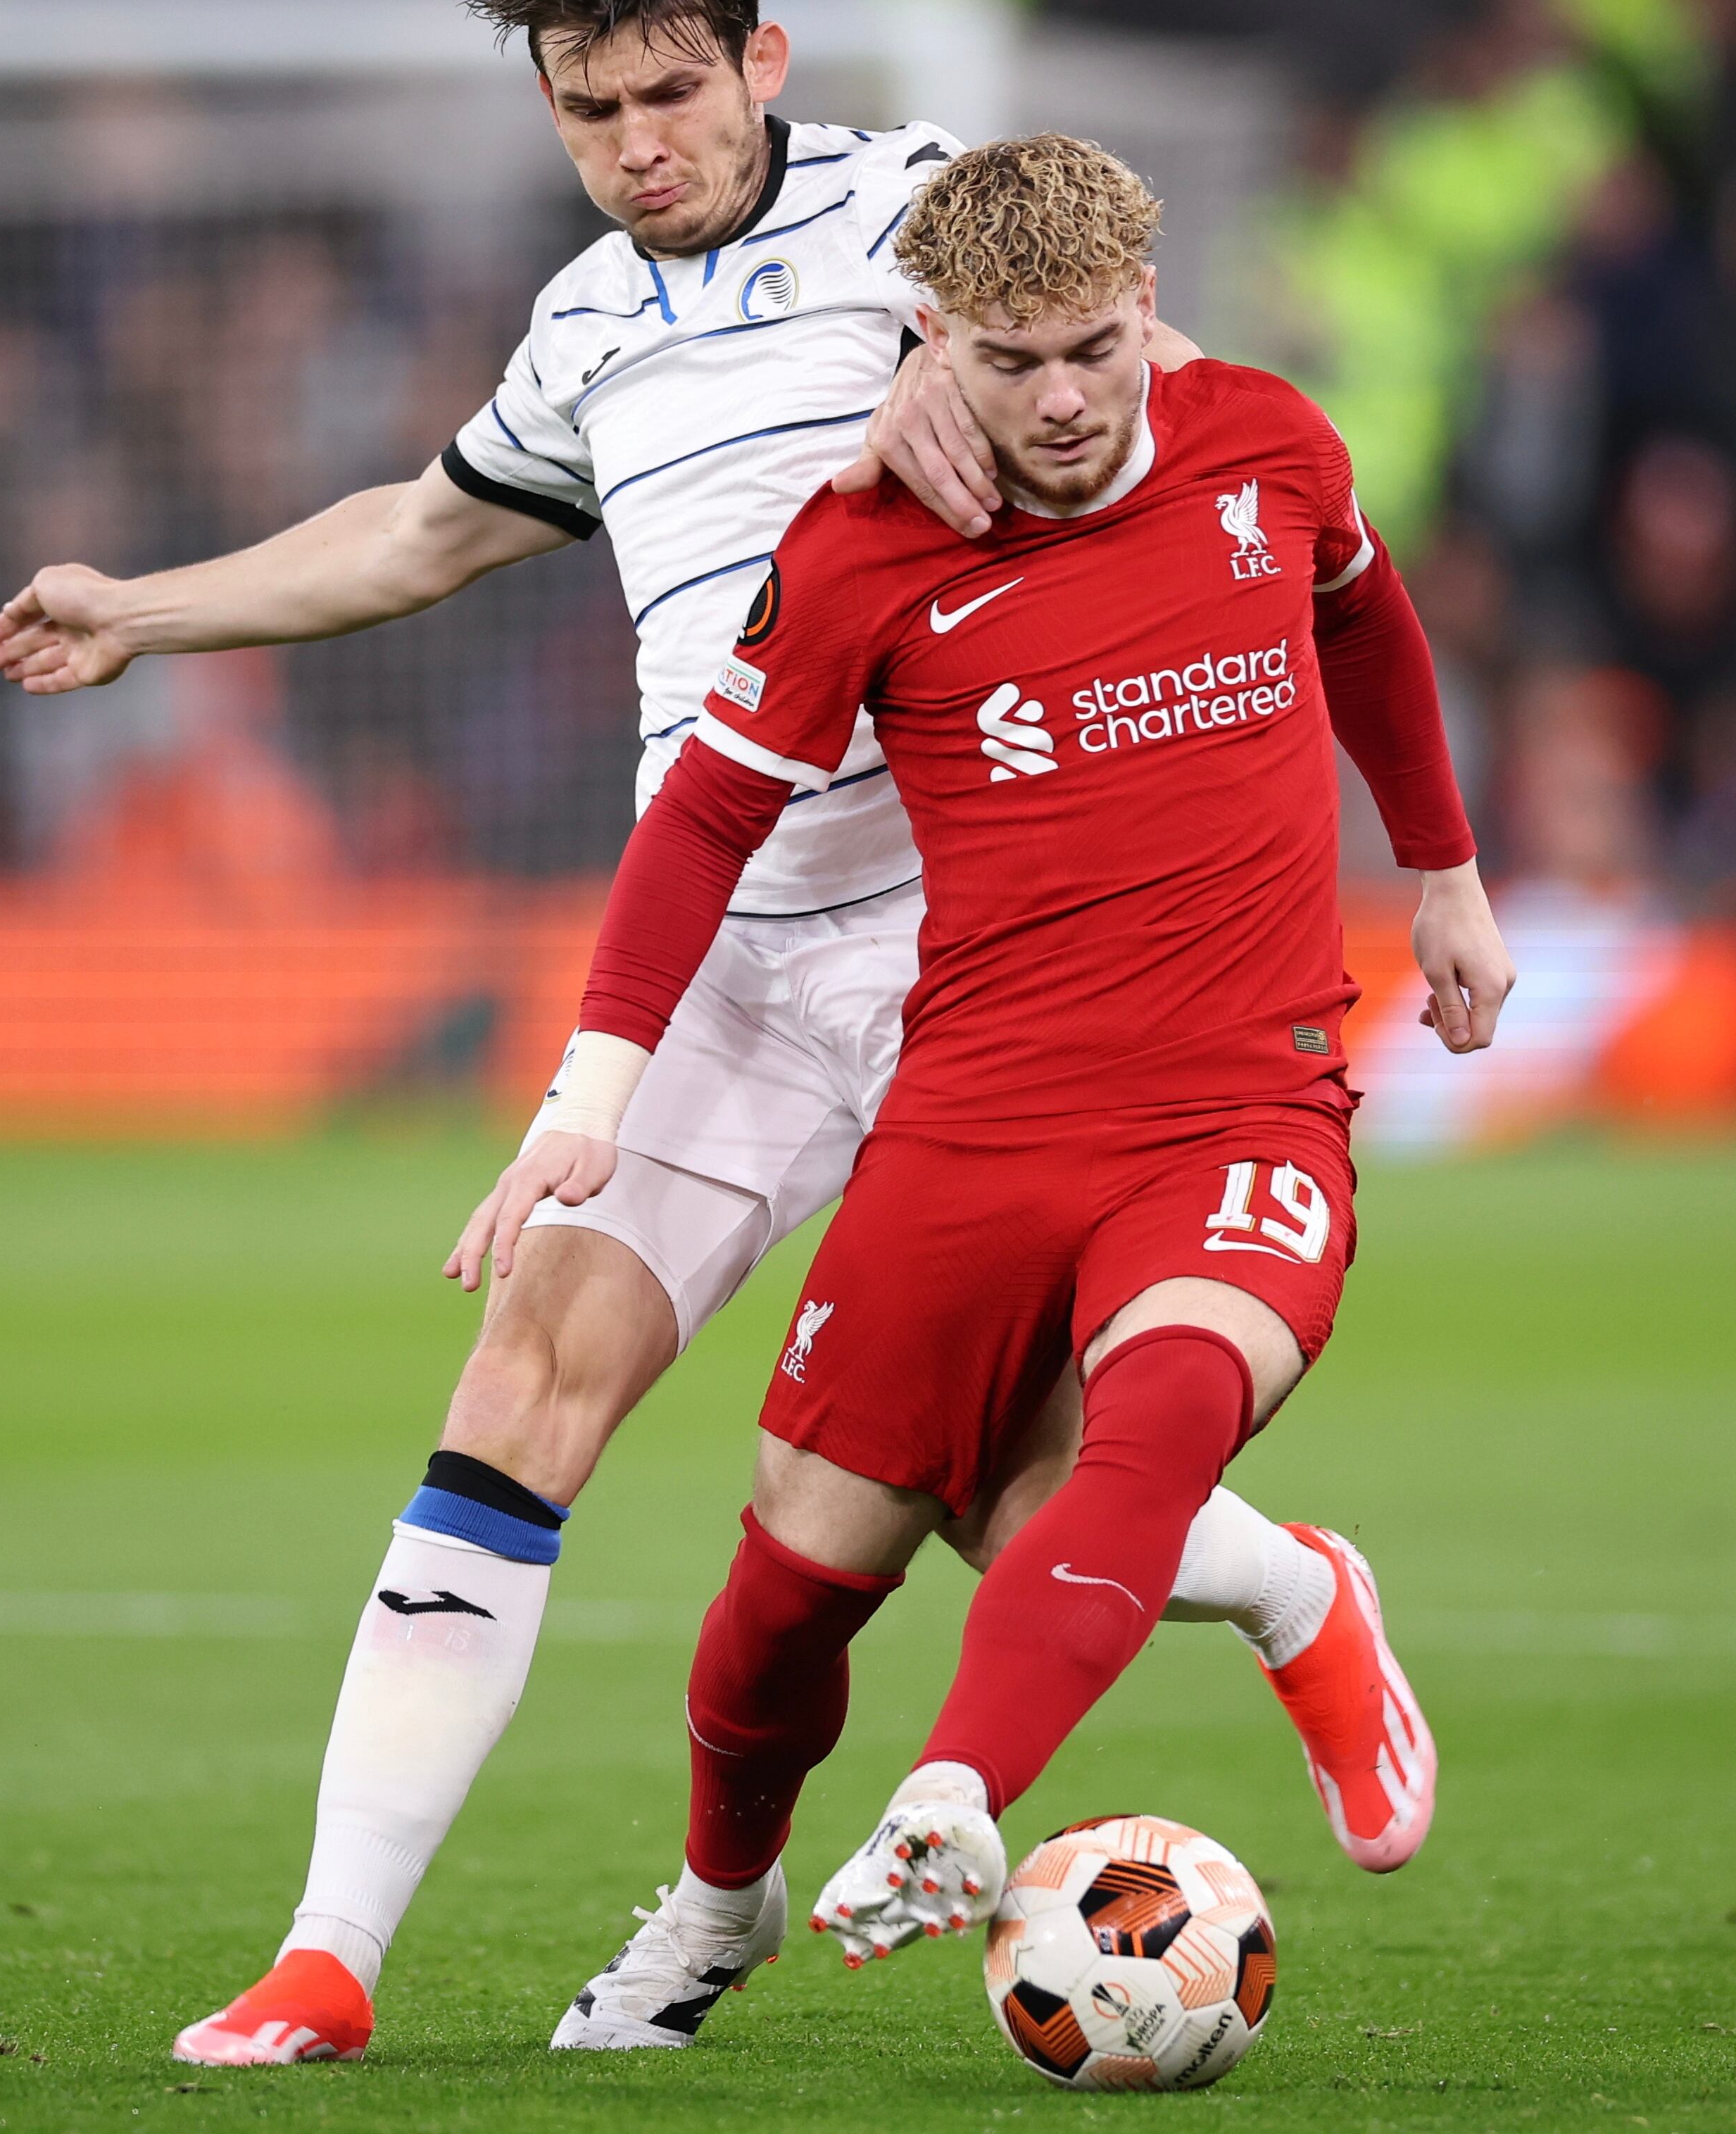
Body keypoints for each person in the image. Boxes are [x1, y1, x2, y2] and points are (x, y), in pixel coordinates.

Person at [0, 0, 1421, 2068]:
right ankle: (331, 1952)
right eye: (588, 112)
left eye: (668, 92)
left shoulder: (936, 211)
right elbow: (422, 533)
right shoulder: (582, 325)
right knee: (520, 1386)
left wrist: (956, 408)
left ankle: (1299, 1594)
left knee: (995, 1506)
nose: (636, 146)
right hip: (734, 952)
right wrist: (142, 606)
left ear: (760, 62)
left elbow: (1168, 422)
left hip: (996, 952)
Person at [458, 134, 1514, 2032]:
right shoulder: (860, 546)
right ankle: (716, 1909)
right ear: (928, 336)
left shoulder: (1266, 443)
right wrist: (590, 1093)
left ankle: (956, 1790)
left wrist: (1442, 870)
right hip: (969, 1122)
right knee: (787, 1595)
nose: (1057, 400)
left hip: (1235, 1105)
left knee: (1158, 1414)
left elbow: (1363, 610)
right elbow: (705, 814)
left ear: (1147, 308)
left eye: (1092, 352)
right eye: (1008, 358)